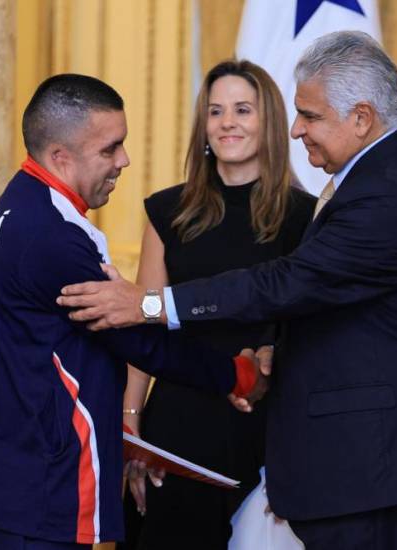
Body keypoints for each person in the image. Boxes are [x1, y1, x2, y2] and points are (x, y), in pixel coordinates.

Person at [58, 31, 397, 550]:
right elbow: (340, 302)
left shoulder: (387, 194)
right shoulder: (381, 174)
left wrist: (150, 303)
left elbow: (288, 282)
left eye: (310, 116)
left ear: (361, 118)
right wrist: (278, 349)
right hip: (366, 451)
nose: (297, 130)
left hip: (385, 456)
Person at [0, 73, 266, 550]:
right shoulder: (52, 237)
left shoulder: (23, 199)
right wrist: (237, 376)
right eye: (109, 149)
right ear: (61, 156)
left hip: (16, 474)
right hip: (39, 484)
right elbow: (139, 340)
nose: (123, 160)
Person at [120, 60, 315, 549]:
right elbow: (144, 326)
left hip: (268, 427)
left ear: (269, 122)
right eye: (216, 111)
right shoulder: (167, 212)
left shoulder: (307, 218)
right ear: (203, 127)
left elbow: (312, 338)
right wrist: (132, 431)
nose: (228, 121)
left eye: (243, 109)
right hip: (178, 427)